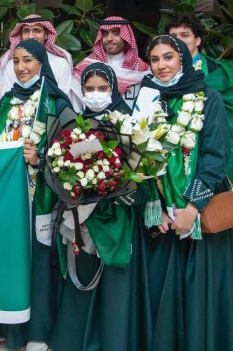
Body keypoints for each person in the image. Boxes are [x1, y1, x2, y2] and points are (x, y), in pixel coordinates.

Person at [132, 34, 233, 351]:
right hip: (160, 215)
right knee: (159, 288)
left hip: (197, 213)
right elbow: (137, 155)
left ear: (183, 58)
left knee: (197, 291)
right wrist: (155, 206)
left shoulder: (209, 98)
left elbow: (216, 157)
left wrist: (192, 209)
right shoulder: (145, 98)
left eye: (168, 57)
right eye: (155, 59)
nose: (161, 65)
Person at [0, 39, 73, 349]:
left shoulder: (56, 102)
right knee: (7, 260)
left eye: (28, 60)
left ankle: (36, 331)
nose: (21, 67)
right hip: (6, 200)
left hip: (39, 197)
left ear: (41, 62)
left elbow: (70, 154)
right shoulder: (7, 100)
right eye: (16, 61)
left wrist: (39, 159)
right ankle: (8, 327)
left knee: (37, 264)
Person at [47, 62, 154, 351]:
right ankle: (75, 340)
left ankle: (114, 341)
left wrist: (120, 188)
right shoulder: (74, 126)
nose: (95, 95)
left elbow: (143, 173)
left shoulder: (128, 125)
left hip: (117, 216)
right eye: (89, 89)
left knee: (115, 282)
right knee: (82, 271)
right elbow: (62, 163)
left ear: (114, 89)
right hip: (83, 216)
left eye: (103, 89)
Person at [167, 13, 233, 183]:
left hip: (207, 159)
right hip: (168, 160)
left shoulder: (217, 73)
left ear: (197, 40)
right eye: (173, 37)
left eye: (184, 35)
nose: (178, 41)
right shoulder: (160, 74)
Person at [0, 15, 75, 101]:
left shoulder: (60, 64)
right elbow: (5, 98)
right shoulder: (11, 64)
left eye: (36, 30)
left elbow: (63, 100)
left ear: (46, 34)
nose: (30, 36)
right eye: (26, 31)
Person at [74, 16, 150, 103]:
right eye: (105, 34)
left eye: (116, 33)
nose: (109, 39)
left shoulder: (141, 68)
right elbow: (76, 101)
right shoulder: (87, 65)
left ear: (126, 37)